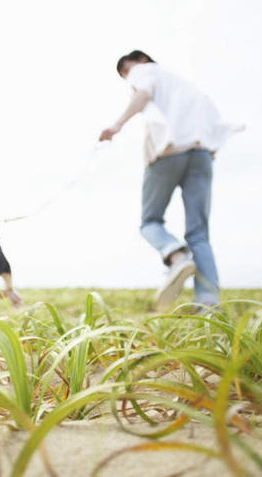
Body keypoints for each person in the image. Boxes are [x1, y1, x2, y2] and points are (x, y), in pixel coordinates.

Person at [99, 50, 240, 313]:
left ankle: (175, 254)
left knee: (149, 222)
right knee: (199, 234)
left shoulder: (145, 71)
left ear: (140, 60)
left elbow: (143, 95)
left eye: (126, 71)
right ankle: (208, 304)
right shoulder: (186, 86)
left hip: (169, 151)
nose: (128, 78)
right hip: (202, 153)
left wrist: (116, 126)